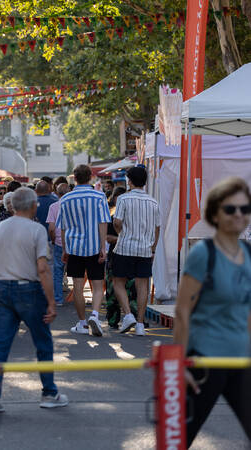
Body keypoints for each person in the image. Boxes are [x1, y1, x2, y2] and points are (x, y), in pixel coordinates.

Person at [173, 177, 251, 446]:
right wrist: (180, 364)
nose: (239, 215)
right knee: (180, 439)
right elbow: (183, 311)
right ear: (215, 214)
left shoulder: (249, 254)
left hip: (241, 361)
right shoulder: (204, 254)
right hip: (205, 361)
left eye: (245, 209)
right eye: (231, 209)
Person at [0, 187, 68, 412]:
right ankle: (49, 392)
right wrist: (51, 301)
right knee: (42, 342)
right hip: (29, 289)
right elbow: (43, 269)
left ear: (13, 205)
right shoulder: (36, 230)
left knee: (1, 343)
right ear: (33, 206)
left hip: (3, 287)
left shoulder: (1, 227)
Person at [57, 164, 110, 336]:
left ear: (75, 177)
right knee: (97, 285)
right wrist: (103, 246)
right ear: (90, 177)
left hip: (74, 247)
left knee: (78, 287)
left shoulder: (65, 199)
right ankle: (94, 314)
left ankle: (82, 322)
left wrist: (65, 249)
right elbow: (103, 222)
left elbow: (63, 227)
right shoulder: (99, 197)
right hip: (94, 246)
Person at [110, 167, 160, 337]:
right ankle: (139, 323)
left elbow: (117, 222)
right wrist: (152, 248)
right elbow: (157, 228)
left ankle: (128, 315)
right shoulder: (153, 202)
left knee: (118, 282)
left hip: (125, 247)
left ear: (130, 181)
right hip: (145, 249)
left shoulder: (123, 199)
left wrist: (121, 233)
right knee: (142, 286)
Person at [104, 186, 135, 329]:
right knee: (112, 291)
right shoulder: (111, 218)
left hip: (130, 256)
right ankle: (113, 319)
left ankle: (134, 318)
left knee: (132, 289)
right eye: (119, 197)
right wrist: (125, 239)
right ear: (115, 199)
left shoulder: (134, 217)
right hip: (115, 256)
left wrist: (122, 239)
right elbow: (108, 237)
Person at [45, 183, 70, 306]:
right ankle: (77, 297)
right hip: (74, 242)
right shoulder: (73, 205)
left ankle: (58, 299)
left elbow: (51, 228)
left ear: (57, 193)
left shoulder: (54, 206)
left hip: (59, 242)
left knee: (58, 272)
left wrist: (53, 240)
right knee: (77, 272)